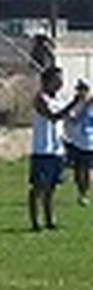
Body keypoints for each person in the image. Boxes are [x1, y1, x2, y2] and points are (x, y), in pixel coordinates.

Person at [28, 66, 80, 232]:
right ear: (47, 81)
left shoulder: (58, 98)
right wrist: (75, 102)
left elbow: (72, 118)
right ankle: (35, 221)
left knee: (52, 187)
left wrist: (84, 104)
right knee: (38, 187)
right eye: (57, 79)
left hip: (57, 149)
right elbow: (53, 117)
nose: (61, 83)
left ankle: (50, 220)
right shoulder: (40, 98)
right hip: (42, 150)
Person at [60, 78, 93, 208]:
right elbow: (71, 119)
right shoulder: (75, 104)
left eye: (84, 89)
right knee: (78, 172)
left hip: (90, 144)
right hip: (77, 142)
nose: (82, 92)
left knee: (88, 172)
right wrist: (84, 106)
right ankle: (81, 193)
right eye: (80, 89)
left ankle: (85, 193)